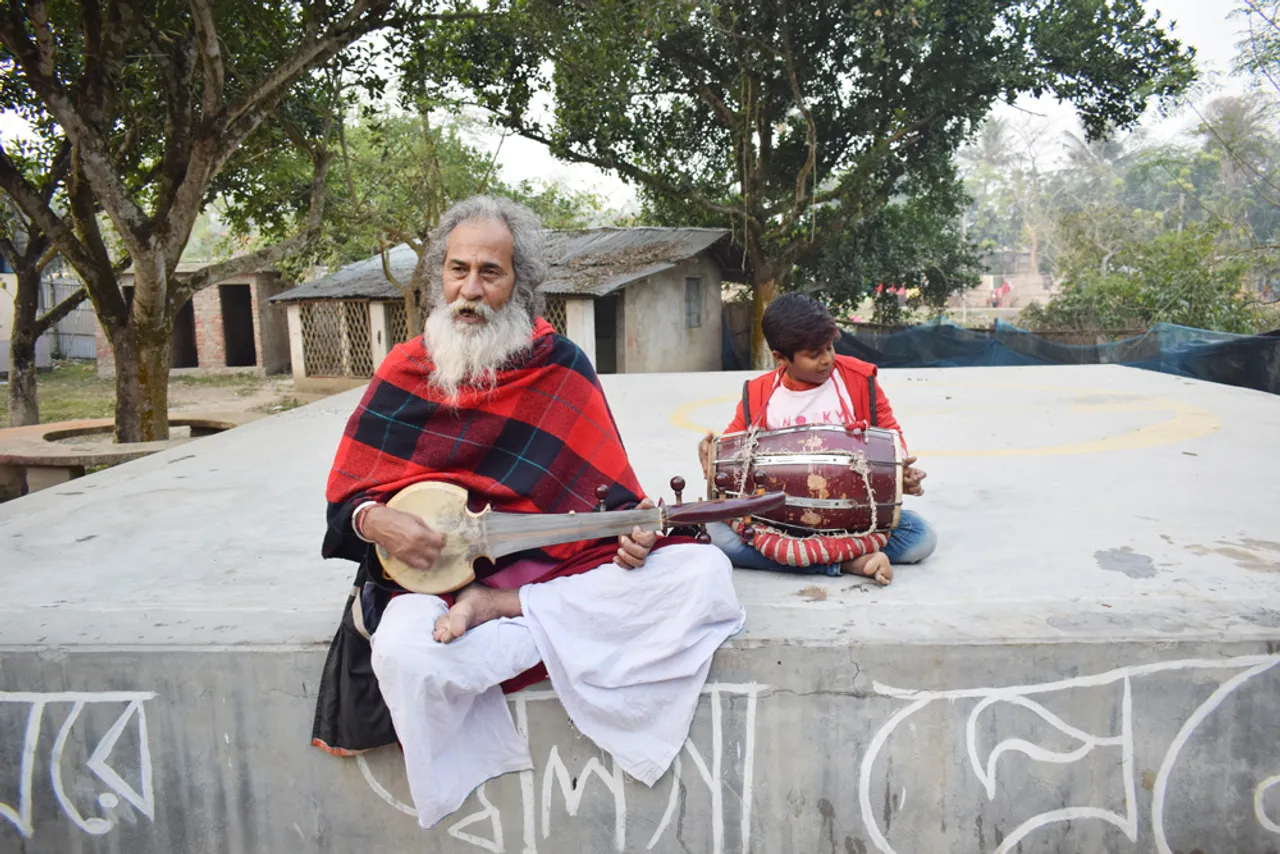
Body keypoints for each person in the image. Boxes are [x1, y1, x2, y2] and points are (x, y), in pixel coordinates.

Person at [311, 196, 744, 829]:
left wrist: (635, 540)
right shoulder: (405, 371)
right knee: (407, 658)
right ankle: (541, 633)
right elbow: (344, 504)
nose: (471, 289)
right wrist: (374, 520)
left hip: (543, 577)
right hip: (432, 582)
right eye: (458, 270)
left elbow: (613, 504)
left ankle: (503, 612)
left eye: (491, 272)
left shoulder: (559, 367)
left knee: (703, 578)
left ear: (521, 285)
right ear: (440, 277)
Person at [699, 293, 937, 585]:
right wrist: (712, 459)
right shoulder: (759, 394)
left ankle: (809, 558)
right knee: (714, 535)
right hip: (785, 523)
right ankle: (849, 563)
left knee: (921, 537)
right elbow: (732, 460)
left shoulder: (859, 379)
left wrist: (902, 475)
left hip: (853, 521)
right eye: (814, 354)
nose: (827, 360)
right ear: (781, 358)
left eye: (830, 347)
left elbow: (892, 440)